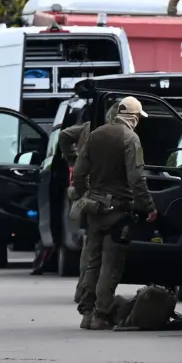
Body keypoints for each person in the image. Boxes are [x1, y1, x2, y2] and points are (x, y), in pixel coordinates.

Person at [73, 96, 156, 330]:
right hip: (118, 212)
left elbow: (79, 173)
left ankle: (86, 314)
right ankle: (101, 314)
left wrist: (83, 195)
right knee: (111, 265)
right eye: (139, 117)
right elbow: (136, 178)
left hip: (93, 210)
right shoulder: (131, 139)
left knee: (92, 263)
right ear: (133, 116)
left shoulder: (95, 135)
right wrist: (148, 207)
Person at [66, 103, 117, 301]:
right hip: (112, 203)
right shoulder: (126, 138)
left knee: (91, 250)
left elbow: (78, 171)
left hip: (92, 197)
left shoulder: (90, 132)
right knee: (108, 258)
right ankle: (100, 307)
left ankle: (85, 298)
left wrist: (70, 158)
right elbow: (135, 176)